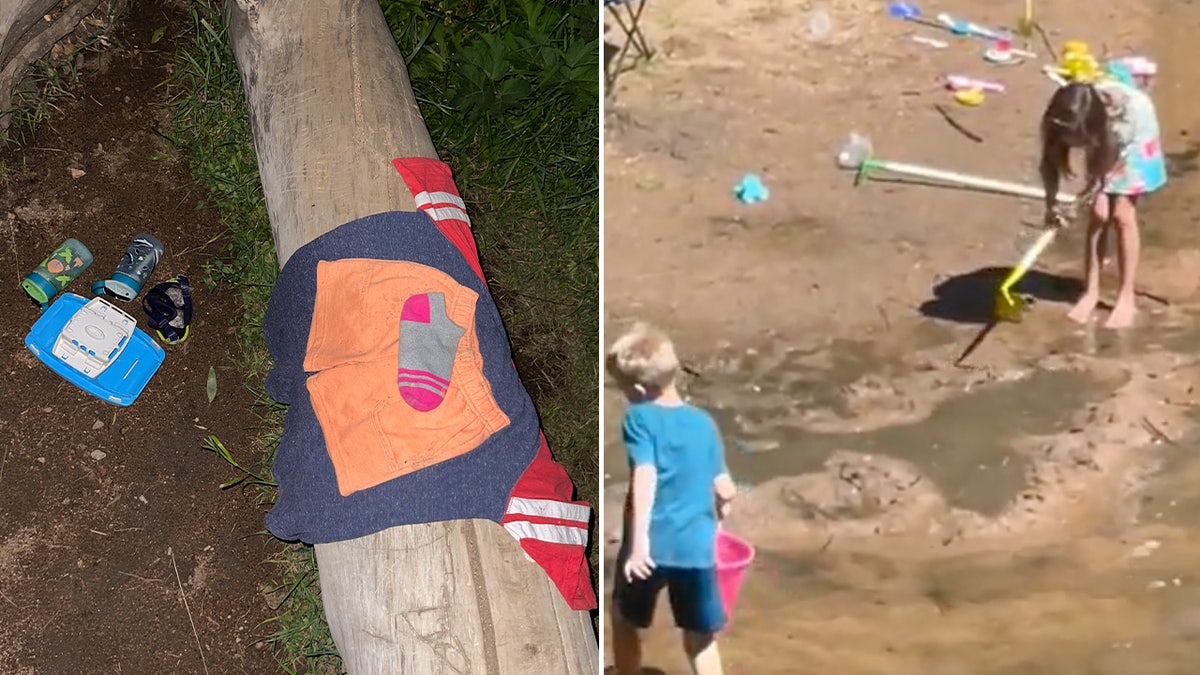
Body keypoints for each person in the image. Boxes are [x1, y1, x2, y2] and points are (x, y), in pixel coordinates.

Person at [606, 322, 738, 675]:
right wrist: (721, 518)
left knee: (623, 618)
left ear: (637, 388)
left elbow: (645, 475)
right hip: (697, 549)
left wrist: (638, 546)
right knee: (701, 639)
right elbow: (725, 488)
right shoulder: (704, 423)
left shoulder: (639, 417)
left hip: (651, 548)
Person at [1039, 60, 1167, 329]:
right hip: (1102, 137)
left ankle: (1126, 296)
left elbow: (1108, 172)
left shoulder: (1128, 115)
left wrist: (1084, 196)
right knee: (1098, 213)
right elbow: (1049, 164)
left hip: (1132, 140)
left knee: (1122, 213)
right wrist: (1050, 207)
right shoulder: (1064, 116)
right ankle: (1091, 290)